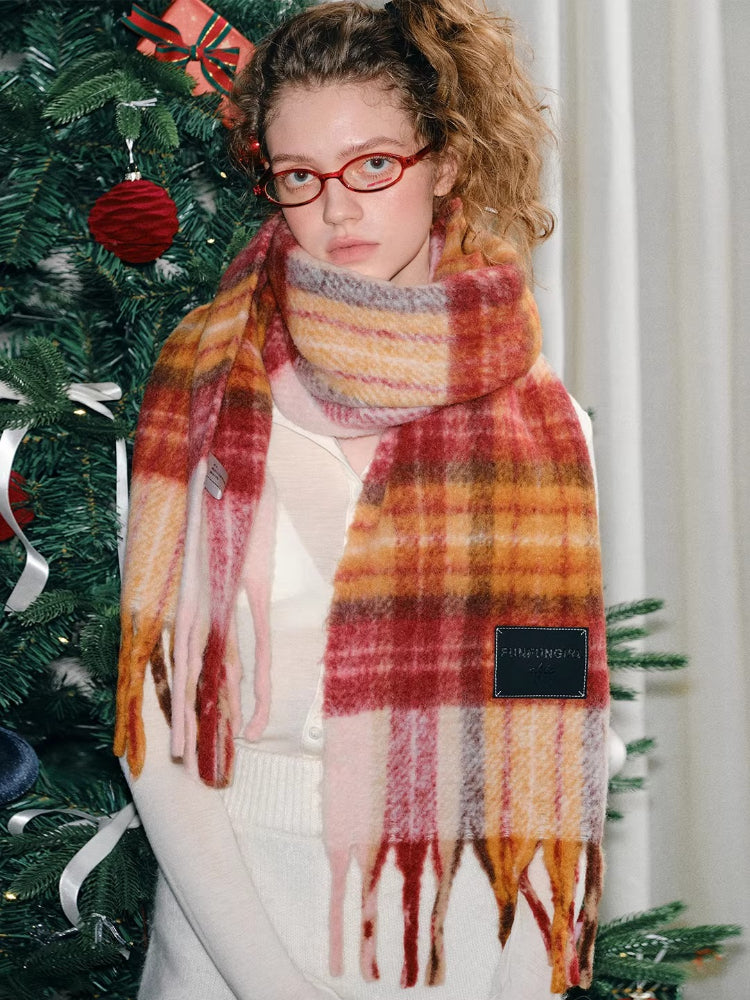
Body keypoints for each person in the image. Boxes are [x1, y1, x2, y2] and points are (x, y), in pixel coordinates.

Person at [114, 2, 610, 999]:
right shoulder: (203, 391)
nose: (336, 209)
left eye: (372, 164)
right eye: (300, 176)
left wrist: (525, 983)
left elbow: (552, 721)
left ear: (446, 162)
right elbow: (157, 734)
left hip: (458, 941)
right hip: (230, 939)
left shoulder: (545, 428)